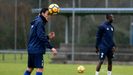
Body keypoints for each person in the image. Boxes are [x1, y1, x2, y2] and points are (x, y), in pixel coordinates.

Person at [24, 8, 57, 75]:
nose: (49, 16)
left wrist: (47, 37)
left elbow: (37, 36)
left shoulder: (36, 21)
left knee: (30, 68)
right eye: (48, 14)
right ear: (42, 14)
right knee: (40, 68)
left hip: (31, 48)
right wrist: (51, 48)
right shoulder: (40, 22)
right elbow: (41, 37)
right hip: (37, 49)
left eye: (50, 15)